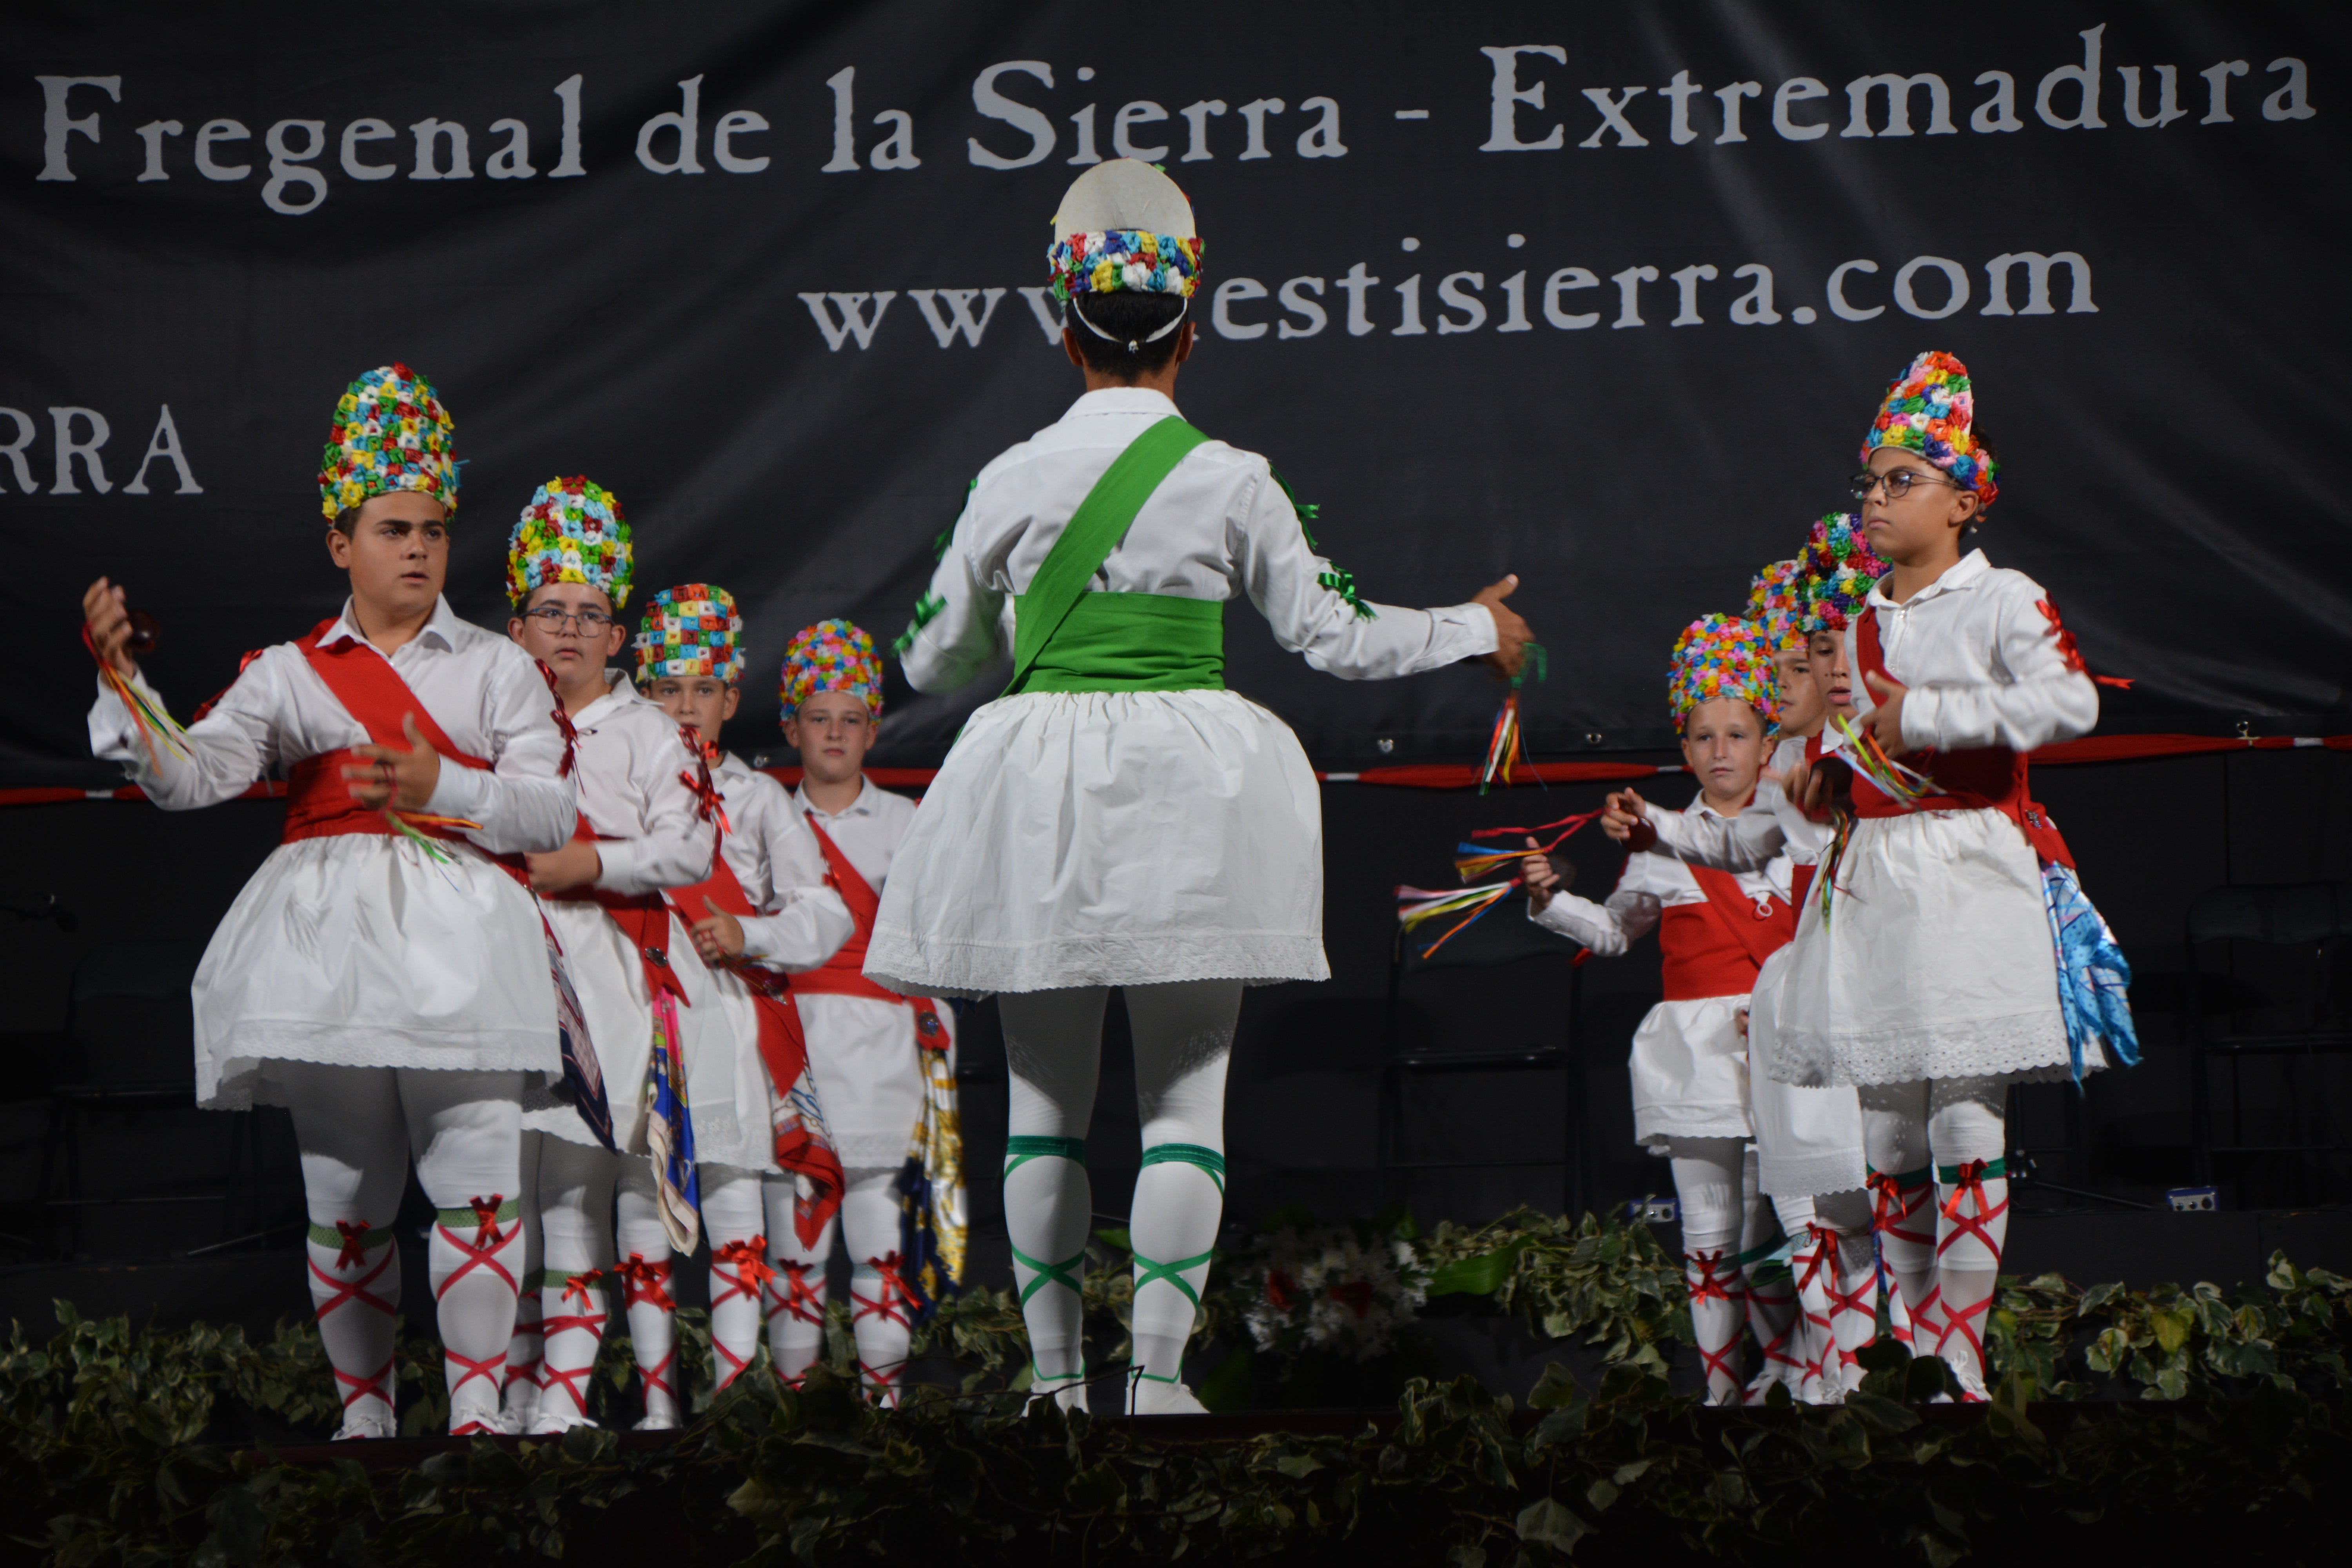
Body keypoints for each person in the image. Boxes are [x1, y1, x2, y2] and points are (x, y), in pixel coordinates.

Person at [869, 155, 1535, 1416]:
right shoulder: (1233, 477)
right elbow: (1336, 635)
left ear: (1062, 325)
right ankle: (1159, 1384)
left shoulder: (1009, 477)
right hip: (1189, 791)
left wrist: (1011, 632)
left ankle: (1056, 1388)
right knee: (1185, 1101)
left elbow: (933, 659)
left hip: (1042, 789)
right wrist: (1471, 626)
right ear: (1191, 328)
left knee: (1044, 1108)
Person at [1604, 352, 2133, 1399]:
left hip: (1967, 870)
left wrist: (1925, 713)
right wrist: (1824, 788)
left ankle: (1960, 1350)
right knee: (1887, 1134)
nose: (1878, 500)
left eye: (1903, 481)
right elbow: (1842, 771)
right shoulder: (1856, 625)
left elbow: (2072, 703)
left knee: (1964, 1119)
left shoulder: (2003, 599)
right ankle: (1912, 1347)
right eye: (1871, 483)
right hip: (1876, 885)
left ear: (1964, 500)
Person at [81, 364, 577, 1437]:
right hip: (328, 959)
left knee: (479, 1186)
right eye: (393, 529)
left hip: (466, 953)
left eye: (433, 530)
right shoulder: (289, 673)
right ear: (339, 542)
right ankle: (366, 1423)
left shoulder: (497, 667)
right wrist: (126, 688)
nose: (418, 549)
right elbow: (190, 776)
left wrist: (444, 786)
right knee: (346, 1205)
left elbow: (551, 811)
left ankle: (478, 1417)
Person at [501, 478, 729, 1434]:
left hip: (608, 986)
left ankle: (563, 1400)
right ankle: (504, 1395)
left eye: (589, 614)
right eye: (550, 610)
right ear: (516, 627)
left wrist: (592, 862)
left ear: (618, 636)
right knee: (501, 1198)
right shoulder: (490, 724)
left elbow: (691, 847)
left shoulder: (651, 733)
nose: (569, 629)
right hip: (502, 977)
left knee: (571, 1194)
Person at [1521, 615, 1791, 1405]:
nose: (1720, 751)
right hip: (1700, 1057)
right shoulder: (1658, 847)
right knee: (1710, 1229)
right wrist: (1549, 901)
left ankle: (1797, 1372)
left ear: (1767, 744)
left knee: (1785, 1227)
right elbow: (1614, 932)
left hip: (1786, 1047)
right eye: (1704, 737)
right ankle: (1722, 1397)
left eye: (1737, 734)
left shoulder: (1800, 833)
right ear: (1685, 750)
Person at [637, 586, 857, 1397]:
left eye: (704, 689)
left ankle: (733, 1408)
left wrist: (750, 934)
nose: (685, 707)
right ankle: (656, 1411)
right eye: (667, 688)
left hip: (734, 1024)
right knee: (641, 1213)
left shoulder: (760, 799)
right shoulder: (617, 786)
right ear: (642, 693)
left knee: (735, 1213)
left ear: (731, 699)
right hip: (642, 1018)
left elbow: (826, 913)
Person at [759, 621, 962, 1407]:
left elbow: (933, 949)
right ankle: (792, 1413)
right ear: (792, 727)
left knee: (880, 1250)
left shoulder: (911, 824)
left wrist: (936, 1053)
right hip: (792, 1054)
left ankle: (886, 1409)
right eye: (820, 717)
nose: (836, 733)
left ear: (874, 729)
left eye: (851, 719)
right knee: (795, 1255)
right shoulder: (761, 818)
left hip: (883, 1056)